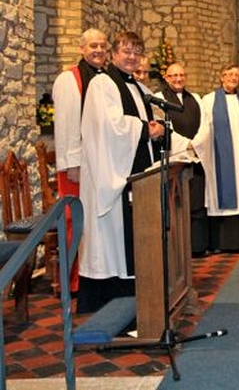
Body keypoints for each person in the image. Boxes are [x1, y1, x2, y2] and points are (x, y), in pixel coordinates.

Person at [78, 31, 165, 313]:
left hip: (136, 175)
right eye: (126, 51)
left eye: (136, 52)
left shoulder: (136, 87)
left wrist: (158, 128)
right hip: (114, 177)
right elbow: (109, 127)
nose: (131, 56)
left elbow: (150, 119)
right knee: (114, 243)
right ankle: (114, 306)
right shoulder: (103, 84)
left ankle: (141, 300)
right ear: (113, 54)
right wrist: (145, 129)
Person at [52, 28, 108, 295]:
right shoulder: (68, 79)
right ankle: (71, 281)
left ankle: (91, 274)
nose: (98, 50)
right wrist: (72, 163)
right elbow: (65, 124)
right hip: (77, 165)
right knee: (75, 222)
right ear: (82, 49)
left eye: (102, 46)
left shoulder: (105, 78)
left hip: (98, 163)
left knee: (94, 222)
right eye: (93, 46)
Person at [191, 64, 239, 252]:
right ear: (222, 77)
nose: (233, 78)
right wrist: (195, 144)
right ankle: (222, 242)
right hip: (220, 158)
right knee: (222, 195)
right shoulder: (210, 100)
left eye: (237, 75)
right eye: (229, 74)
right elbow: (204, 127)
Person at [155, 63, 209, 257]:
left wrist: (196, 144)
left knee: (197, 203)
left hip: (196, 157)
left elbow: (206, 124)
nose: (178, 79)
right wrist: (185, 144)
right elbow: (162, 126)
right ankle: (178, 249)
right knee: (177, 206)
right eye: (173, 75)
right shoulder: (159, 99)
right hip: (175, 160)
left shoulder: (195, 98)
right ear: (166, 78)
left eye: (181, 75)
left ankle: (197, 246)